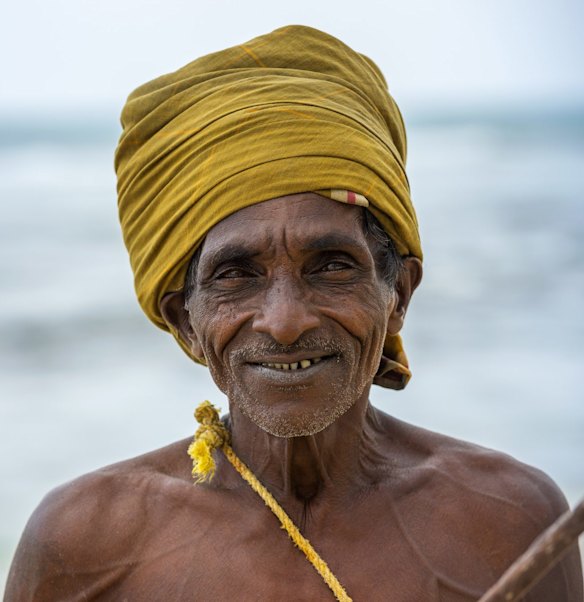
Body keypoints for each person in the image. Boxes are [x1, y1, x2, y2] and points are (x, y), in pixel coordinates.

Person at [5, 25, 582, 602]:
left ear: (398, 294)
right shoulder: (86, 547)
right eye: (237, 276)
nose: (284, 322)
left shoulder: (508, 524)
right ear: (185, 321)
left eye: (331, 267)